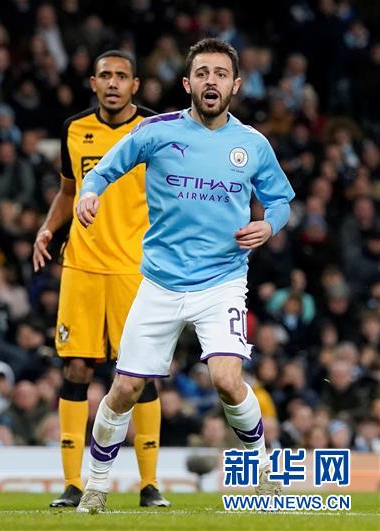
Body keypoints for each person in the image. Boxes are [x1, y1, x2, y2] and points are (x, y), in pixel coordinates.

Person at [73, 39, 294, 513]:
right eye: (203, 73)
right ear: (187, 82)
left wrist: (269, 225)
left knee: (227, 378)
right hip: (160, 281)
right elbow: (102, 171)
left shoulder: (252, 144)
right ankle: (96, 485)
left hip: (222, 280)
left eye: (220, 74)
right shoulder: (157, 131)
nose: (211, 81)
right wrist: (89, 194)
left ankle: (263, 474)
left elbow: (280, 201)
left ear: (235, 85)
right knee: (125, 388)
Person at [33, 50, 169, 508]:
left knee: (140, 373)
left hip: (136, 268)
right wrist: (48, 228)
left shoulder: (155, 128)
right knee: (76, 369)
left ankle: (149, 485)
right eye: (105, 76)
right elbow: (67, 191)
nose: (113, 83)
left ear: (136, 85)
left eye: (121, 76)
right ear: (93, 83)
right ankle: (73, 483)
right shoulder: (74, 129)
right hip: (83, 267)